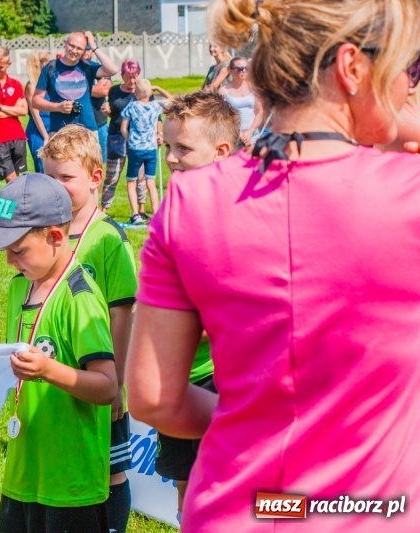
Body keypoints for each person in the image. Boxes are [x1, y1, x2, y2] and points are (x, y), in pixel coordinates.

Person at [127, 0, 420, 531]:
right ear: (352, 67)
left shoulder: (188, 200)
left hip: (234, 506)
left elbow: (153, 399)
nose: (409, 88)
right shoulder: (408, 196)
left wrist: (262, 421)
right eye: (411, 68)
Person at [0, 173, 117, 533]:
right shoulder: (18, 288)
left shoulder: (79, 297)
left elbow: (107, 387)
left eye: (18, 250)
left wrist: (49, 370)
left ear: (55, 237)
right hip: (24, 470)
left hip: (70, 482)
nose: (9, 261)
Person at [39, 125, 137, 533]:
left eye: (66, 177)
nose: (56, 186)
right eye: (48, 177)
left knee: (110, 471)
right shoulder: (47, 234)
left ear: (96, 177)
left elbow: (122, 314)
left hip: (101, 377)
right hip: (62, 377)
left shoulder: (108, 239)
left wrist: (116, 384)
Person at [155, 90, 239, 526]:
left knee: (229, 484)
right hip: (179, 378)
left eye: (183, 149)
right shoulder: (173, 212)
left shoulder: (237, 217)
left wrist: (174, 329)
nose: (171, 159)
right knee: (184, 478)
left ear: (221, 152)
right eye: (167, 146)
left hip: (224, 379)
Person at [32, 31, 118, 135]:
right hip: (59, 131)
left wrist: (93, 46)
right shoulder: (50, 68)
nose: (74, 51)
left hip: (87, 130)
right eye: (72, 46)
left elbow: (113, 69)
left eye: (79, 48)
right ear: (65, 43)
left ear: (84, 51)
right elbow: (35, 101)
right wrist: (58, 107)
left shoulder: (88, 66)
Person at [120, 78, 171, 224]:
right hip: (150, 149)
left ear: (135, 93)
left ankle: (135, 214)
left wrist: (130, 139)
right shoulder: (155, 106)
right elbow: (171, 99)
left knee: (131, 181)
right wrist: (158, 88)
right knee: (151, 182)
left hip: (135, 149)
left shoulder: (132, 106)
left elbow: (123, 128)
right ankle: (156, 214)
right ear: (150, 92)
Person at [101, 59, 142, 213]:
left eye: (135, 77)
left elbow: (155, 114)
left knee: (140, 175)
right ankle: (104, 210)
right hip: (116, 138)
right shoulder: (114, 91)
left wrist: (158, 133)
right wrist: (108, 111)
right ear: (122, 75)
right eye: (129, 77)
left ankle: (141, 210)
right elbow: (113, 112)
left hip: (138, 138)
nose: (132, 81)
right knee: (112, 176)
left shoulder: (142, 91)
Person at [0, 47, 28, 182]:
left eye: (0, 67)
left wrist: (0, 107)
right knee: (11, 178)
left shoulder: (16, 84)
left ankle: (19, 198)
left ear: (9, 65)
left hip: (18, 136)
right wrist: (13, 110)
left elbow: (24, 111)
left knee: (19, 179)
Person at [218, 56, 264, 148]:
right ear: (230, 71)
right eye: (239, 69)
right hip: (233, 137)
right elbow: (223, 116)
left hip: (253, 135)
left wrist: (249, 132)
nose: (243, 71)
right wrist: (239, 134)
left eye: (246, 68)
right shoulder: (223, 91)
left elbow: (259, 112)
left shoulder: (254, 88)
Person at [83, 45, 113, 163]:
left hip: (100, 122)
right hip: (81, 124)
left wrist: (81, 90)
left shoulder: (101, 69)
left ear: (92, 51)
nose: (86, 51)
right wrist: (94, 88)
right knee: (83, 161)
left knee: (101, 161)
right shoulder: (74, 71)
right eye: (83, 48)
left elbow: (104, 91)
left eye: (88, 48)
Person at [24, 50, 51, 173]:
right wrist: (46, 137)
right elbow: (36, 115)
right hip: (39, 130)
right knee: (42, 167)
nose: (46, 64)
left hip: (52, 126)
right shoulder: (32, 86)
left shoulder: (49, 82)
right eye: (42, 61)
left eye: (47, 61)